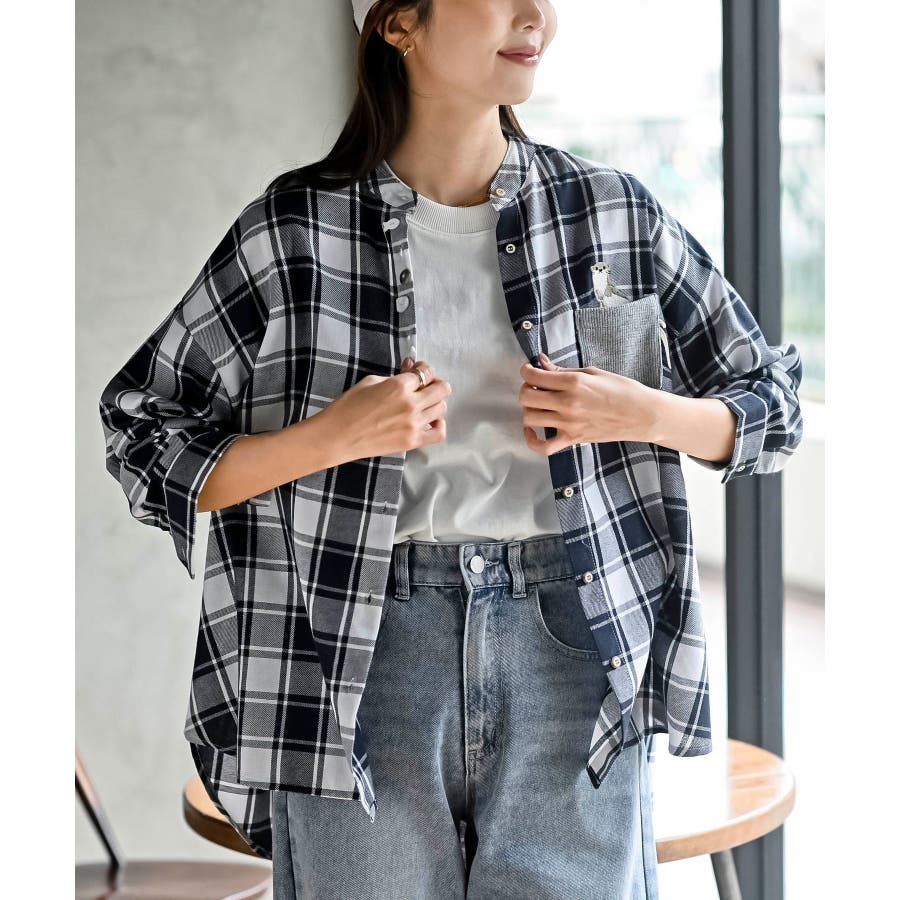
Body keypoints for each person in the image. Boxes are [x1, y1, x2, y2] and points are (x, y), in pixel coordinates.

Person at [97, 0, 804, 897]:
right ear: (399, 23)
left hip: (575, 650)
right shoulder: (292, 231)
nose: (536, 15)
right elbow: (141, 429)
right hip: (361, 658)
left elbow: (773, 405)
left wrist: (642, 412)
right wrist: (331, 437)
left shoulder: (612, 214)